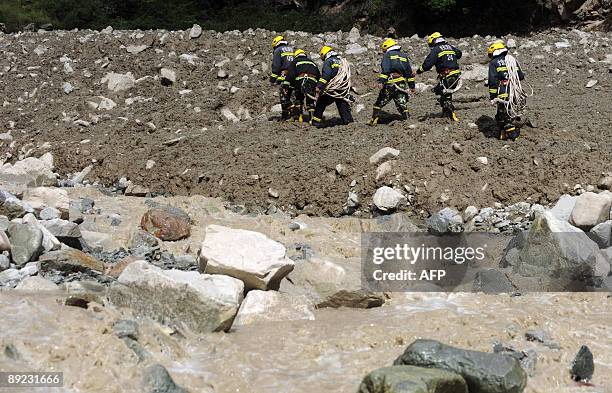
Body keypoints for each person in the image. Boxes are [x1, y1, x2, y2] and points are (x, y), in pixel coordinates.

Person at [369, 38, 416, 126]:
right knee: (402, 104)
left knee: (379, 103)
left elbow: (386, 70)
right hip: (401, 84)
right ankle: (407, 120)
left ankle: (373, 120)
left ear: (386, 48)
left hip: (391, 84)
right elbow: (409, 74)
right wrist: (412, 87)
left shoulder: (388, 55)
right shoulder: (404, 56)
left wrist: (381, 81)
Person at [416, 32, 462, 121]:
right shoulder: (449, 46)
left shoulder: (436, 49)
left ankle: (451, 114)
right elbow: (459, 54)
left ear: (434, 41)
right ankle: (446, 113)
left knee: (444, 95)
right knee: (440, 91)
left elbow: (427, 64)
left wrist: (418, 71)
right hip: (456, 76)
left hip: (447, 76)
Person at [487, 41, 526, 141]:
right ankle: (502, 134)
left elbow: (492, 82)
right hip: (516, 92)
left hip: (503, 93)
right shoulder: (512, 60)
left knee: (504, 116)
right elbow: (520, 76)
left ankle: (513, 137)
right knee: (502, 114)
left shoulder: (494, 63)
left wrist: (493, 96)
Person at [311, 46, 354, 127]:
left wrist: (319, 86)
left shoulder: (329, 61)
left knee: (321, 102)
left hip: (332, 88)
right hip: (342, 88)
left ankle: (316, 121)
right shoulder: (341, 61)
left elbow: (326, 75)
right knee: (342, 104)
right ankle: (348, 121)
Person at [286, 49, 321, 123]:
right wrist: (319, 86)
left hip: (300, 80)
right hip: (312, 81)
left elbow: (290, 74)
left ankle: (299, 117)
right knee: (310, 100)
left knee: (298, 98)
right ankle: (312, 118)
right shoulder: (312, 62)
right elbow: (318, 75)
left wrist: (286, 85)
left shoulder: (295, 62)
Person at [270, 35, 295, 121]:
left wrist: (272, 79)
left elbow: (276, 66)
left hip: (285, 75)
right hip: (295, 74)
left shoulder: (278, 50)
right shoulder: (291, 49)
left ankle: (286, 116)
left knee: (284, 95)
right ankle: (296, 114)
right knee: (293, 95)